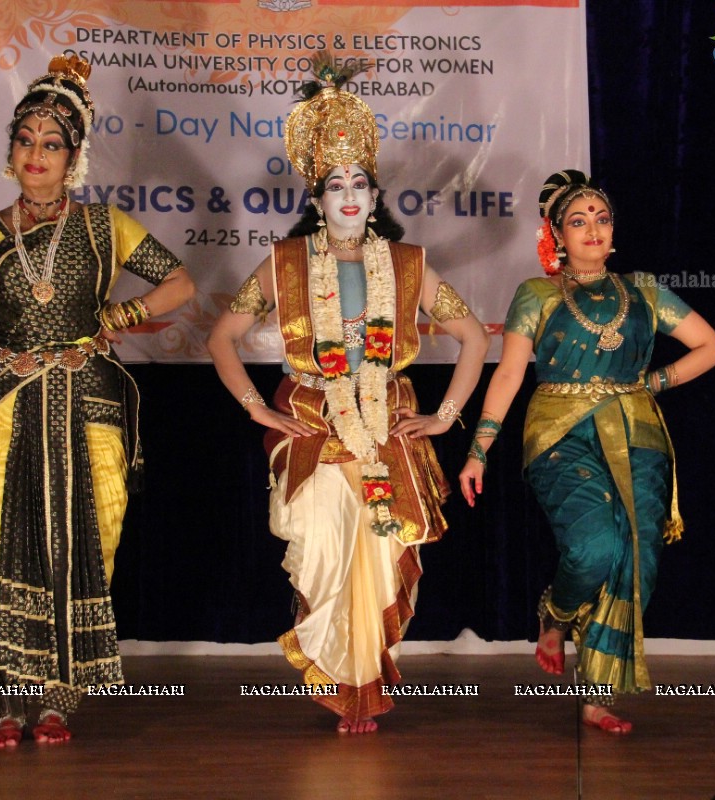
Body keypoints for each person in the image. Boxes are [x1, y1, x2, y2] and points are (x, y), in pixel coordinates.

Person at [0, 54, 195, 747]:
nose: (35, 155)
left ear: (74, 156)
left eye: (51, 145)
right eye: (25, 141)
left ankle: (59, 699)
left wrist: (113, 319)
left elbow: (179, 285)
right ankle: (6, 701)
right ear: (11, 148)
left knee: (86, 540)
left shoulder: (105, 226)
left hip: (87, 403)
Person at [207, 57, 488, 734]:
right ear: (317, 197)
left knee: (378, 556)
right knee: (331, 556)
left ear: (373, 189)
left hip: (387, 424)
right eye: (336, 184)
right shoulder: (286, 263)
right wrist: (258, 408)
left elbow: (475, 338)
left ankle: (363, 689)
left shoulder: (409, 264)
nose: (350, 194)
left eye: (360, 181)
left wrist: (444, 416)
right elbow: (223, 339)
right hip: (312, 421)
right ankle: (338, 672)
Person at [459, 170, 715, 734]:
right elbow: (508, 373)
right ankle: (555, 613)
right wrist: (479, 449)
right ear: (555, 235)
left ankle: (596, 695)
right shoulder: (537, 294)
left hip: (638, 436)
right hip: (560, 430)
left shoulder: (646, 292)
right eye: (578, 221)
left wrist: (652, 384)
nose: (593, 230)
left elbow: (711, 347)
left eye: (601, 219)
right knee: (594, 545)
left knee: (637, 557)